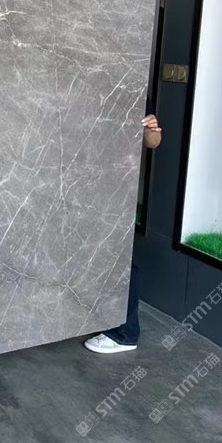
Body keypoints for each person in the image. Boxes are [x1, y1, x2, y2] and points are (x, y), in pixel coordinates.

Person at [84, 107, 161, 354]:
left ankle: (125, 333)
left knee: (117, 258)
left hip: (113, 183)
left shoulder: (132, 90)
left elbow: (153, 141)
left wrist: (150, 128)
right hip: (84, 179)